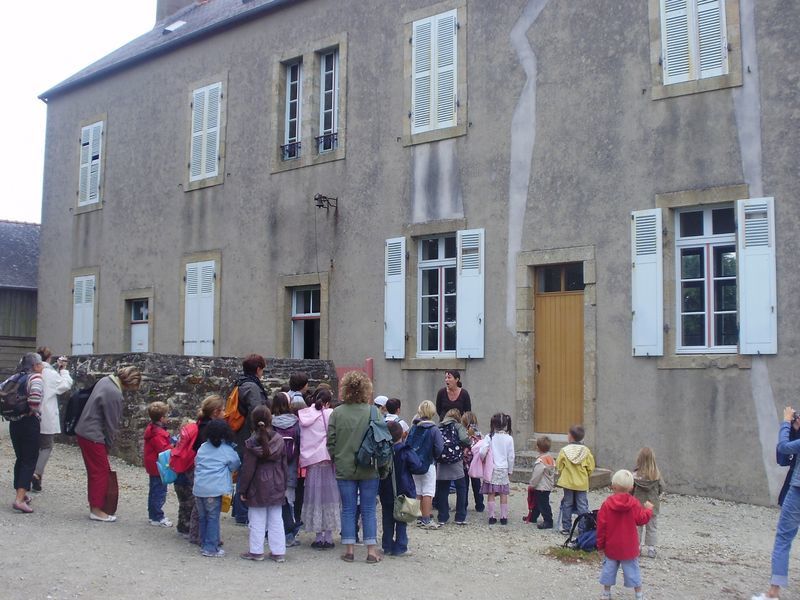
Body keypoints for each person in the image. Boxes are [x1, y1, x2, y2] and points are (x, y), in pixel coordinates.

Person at [326, 370, 382, 564]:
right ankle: (371, 551)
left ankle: (349, 550)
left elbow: (330, 442)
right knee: (368, 509)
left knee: (348, 509)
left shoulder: (337, 413)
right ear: (366, 390)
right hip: (369, 467)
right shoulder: (373, 412)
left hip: (344, 466)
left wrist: (337, 457)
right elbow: (382, 440)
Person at [75, 365, 142, 522]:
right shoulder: (115, 394)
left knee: (95, 471)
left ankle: (95, 505)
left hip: (84, 430)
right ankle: (97, 509)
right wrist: (108, 445)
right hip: (93, 435)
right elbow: (111, 424)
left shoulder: (105, 381)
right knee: (100, 472)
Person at [752, 407, 800, 600]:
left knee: (783, 539)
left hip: (798, 491)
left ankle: (773, 593)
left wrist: (787, 423)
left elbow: (783, 447)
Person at [169, 395, 224, 540]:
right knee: (196, 501)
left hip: (187, 465)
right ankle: (195, 531)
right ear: (216, 412)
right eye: (222, 410)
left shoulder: (199, 424)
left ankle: (184, 527)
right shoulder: (209, 428)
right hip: (196, 467)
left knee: (187, 500)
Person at [239, 405, 288, 562]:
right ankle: (278, 551)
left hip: (257, 485)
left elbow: (248, 469)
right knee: (276, 518)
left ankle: (256, 550)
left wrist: (243, 489)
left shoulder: (251, 443)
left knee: (257, 519)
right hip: (277, 481)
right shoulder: (279, 440)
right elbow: (284, 465)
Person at [596, 469, 653, 600]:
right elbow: (641, 520)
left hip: (611, 546)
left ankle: (606, 593)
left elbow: (601, 527)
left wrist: (600, 546)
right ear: (631, 488)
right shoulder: (634, 503)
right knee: (633, 571)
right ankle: (638, 594)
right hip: (629, 547)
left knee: (608, 571)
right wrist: (648, 510)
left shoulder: (606, 504)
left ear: (613, 486)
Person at [298, 387, 340, 550]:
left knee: (314, 497)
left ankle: (317, 535)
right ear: (328, 402)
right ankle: (328, 537)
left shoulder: (305, 414)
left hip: (312, 461)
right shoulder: (330, 414)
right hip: (327, 459)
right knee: (330, 498)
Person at [193, 419, 240, 557]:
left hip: (199, 488)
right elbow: (235, 464)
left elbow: (196, 462)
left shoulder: (202, 447)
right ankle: (210, 548)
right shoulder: (226, 449)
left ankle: (204, 542)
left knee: (203, 518)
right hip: (214, 489)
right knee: (213, 518)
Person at [232, 354, 269, 524]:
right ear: (258, 369)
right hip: (248, 435)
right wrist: (262, 434)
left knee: (242, 471)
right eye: (262, 369)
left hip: (241, 434)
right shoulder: (252, 387)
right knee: (246, 473)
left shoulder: (241, 382)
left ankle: (238, 510)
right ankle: (242, 513)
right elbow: (256, 412)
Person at [379, 420, 425, 556]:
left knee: (387, 518)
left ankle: (387, 545)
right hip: (403, 489)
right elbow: (417, 466)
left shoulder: (383, 452)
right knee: (402, 518)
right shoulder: (405, 450)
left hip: (385, 489)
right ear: (402, 435)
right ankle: (401, 546)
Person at [31, 347, 73, 493]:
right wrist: (63, 370)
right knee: (46, 446)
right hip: (45, 415)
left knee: (33, 448)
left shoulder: (32, 371)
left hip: (30, 414)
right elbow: (65, 385)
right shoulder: (49, 373)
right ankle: (37, 473)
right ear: (49, 358)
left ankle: (29, 478)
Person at [8, 352, 44, 513]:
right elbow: (35, 399)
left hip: (14, 422)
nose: (42, 367)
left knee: (21, 458)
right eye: (40, 364)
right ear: (35, 365)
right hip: (29, 423)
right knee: (30, 460)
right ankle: (19, 499)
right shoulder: (35, 378)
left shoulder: (14, 377)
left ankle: (21, 493)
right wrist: (33, 410)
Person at [406, 400, 444, 529]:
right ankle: (426, 519)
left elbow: (407, 444)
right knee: (428, 491)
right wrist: (435, 456)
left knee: (417, 490)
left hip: (414, 463)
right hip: (428, 463)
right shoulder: (434, 429)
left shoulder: (414, 427)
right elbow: (439, 447)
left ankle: (417, 516)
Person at [272, 391, 302, 547]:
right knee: (289, 501)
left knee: (273, 503)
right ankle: (289, 536)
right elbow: (300, 443)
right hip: (290, 468)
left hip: (272, 468)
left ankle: (272, 534)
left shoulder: (270, 423)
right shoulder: (296, 423)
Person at [433, 408, 471, 525]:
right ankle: (460, 516)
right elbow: (464, 439)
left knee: (442, 489)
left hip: (442, 460)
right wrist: (465, 444)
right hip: (456, 460)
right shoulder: (458, 426)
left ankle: (442, 516)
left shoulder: (438, 427)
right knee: (461, 488)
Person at [556, 424, 596, 535]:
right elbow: (591, 467)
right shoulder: (586, 451)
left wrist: (562, 473)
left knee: (567, 504)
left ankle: (566, 527)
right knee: (582, 505)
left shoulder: (564, 451)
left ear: (570, 436)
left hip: (568, 483)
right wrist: (586, 475)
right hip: (581, 483)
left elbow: (559, 466)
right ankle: (582, 528)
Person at [479, 413, 515, 525]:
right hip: (503, 468)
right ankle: (503, 517)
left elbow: (482, 451)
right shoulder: (509, 438)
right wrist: (510, 470)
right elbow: (511, 456)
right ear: (506, 424)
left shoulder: (489, 437)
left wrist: (483, 459)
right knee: (503, 493)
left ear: (493, 424)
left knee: (491, 492)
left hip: (492, 468)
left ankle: (491, 516)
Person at [143, 401, 174, 527]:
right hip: (158, 466)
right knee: (159, 491)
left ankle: (153, 514)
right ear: (162, 418)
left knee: (154, 490)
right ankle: (157, 516)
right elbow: (164, 450)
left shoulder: (152, 429)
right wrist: (173, 446)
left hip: (153, 464)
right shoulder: (158, 434)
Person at [633, 447, 665, 558]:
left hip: (638, 507)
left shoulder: (635, 475)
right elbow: (662, 488)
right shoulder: (657, 475)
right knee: (652, 527)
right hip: (652, 506)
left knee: (638, 527)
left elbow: (631, 490)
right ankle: (651, 549)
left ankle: (637, 548)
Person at [524, 435, 556, 529]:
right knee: (537, 502)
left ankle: (548, 520)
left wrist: (532, 484)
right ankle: (533, 516)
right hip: (547, 485)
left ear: (537, 447)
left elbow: (537, 475)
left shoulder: (540, 461)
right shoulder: (550, 458)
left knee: (543, 504)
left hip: (541, 486)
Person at [461, 411, 484, 513]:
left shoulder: (463, 433)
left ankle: (463, 505)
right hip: (475, 462)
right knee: (477, 484)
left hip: (464, 462)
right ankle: (479, 505)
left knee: (464, 484)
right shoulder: (479, 434)